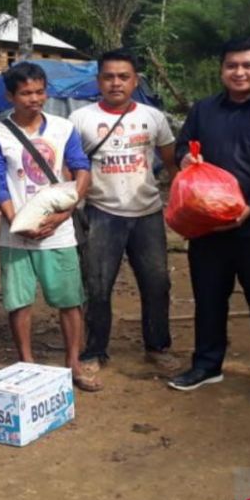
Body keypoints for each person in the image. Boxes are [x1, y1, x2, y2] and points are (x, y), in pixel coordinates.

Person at [168, 38, 250, 403]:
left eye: (248, 65)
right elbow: (183, 147)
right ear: (222, 69)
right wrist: (185, 162)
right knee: (209, 297)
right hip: (207, 224)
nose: (239, 72)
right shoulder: (204, 110)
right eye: (231, 66)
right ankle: (207, 364)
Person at [0, 61, 99, 391]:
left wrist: (65, 213)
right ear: (10, 96)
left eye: (39, 92)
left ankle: (73, 364)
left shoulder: (63, 128)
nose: (34, 99)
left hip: (59, 232)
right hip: (14, 235)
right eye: (25, 93)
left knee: (69, 299)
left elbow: (80, 170)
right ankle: (26, 362)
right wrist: (17, 222)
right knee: (19, 301)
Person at [69, 50, 179, 376]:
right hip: (101, 212)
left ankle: (157, 347)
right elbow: (69, 168)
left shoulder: (153, 117)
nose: (116, 83)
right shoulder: (80, 120)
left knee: (157, 283)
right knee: (98, 286)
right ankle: (94, 350)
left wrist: (184, 202)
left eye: (123, 76)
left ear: (136, 80)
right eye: (109, 76)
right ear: (98, 80)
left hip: (148, 212)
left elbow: (171, 162)